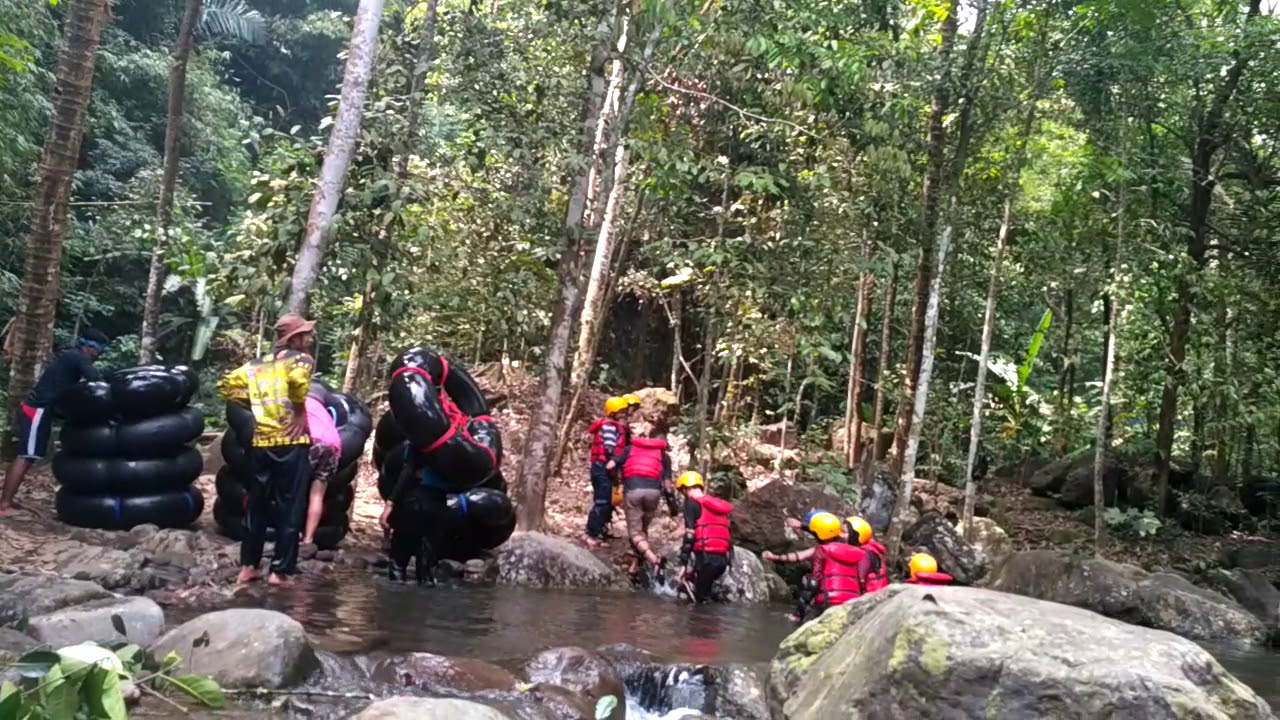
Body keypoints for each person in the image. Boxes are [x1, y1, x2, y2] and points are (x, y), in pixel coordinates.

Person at [217, 314, 316, 587]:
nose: (310, 337)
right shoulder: (301, 359)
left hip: (261, 443)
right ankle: (279, 571)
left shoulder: (257, 364)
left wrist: (255, 406)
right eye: (306, 333)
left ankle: (248, 566)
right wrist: (297, 412)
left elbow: (227, 385)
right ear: (294, 339)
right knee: (290, 506)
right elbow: (297, 381)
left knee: (257, 505)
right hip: (291, 442)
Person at [0, 329, 109, 518]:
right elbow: (96, 381)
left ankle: (7, 500)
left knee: (28, 455)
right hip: (37, 410)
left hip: (39, 410)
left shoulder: (70, 356)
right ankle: (4, 505)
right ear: (90, 347)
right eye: (98, 350)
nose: (98, 355)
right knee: (26, 456)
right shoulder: (78, 357)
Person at [606, 423, 672, 581]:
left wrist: (616, 480)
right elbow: (668, 487)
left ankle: (654, 560)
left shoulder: (630, 449)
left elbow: (609, 465)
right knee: (642, 530)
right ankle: (634, 568)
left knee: (635, 533)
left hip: (633, 492)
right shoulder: (663, 456)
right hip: (653, 494)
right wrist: (674, 508)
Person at [379, 452, 452, 584]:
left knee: (398, 562)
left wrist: (391, 502)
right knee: (427, 568)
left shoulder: (420, 441)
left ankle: (394, 596)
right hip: (438, 505)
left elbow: (407, 472)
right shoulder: (454, 449)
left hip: (413, 503)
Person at [791, 512, 872, 622]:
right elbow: (825, 531)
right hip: (850, 601)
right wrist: (803, 526)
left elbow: (814, 582)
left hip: (829, 599)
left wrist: (799, 613)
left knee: (809, 582)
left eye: (844, 532)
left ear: (854, 537)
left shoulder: (825, 550)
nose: (840, 534)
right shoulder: (859, 554)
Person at [675, 471, 733, 603]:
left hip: (706, 560)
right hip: (722, 561)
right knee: (704, 592)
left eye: (683, 491)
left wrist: (683, 564)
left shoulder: (691, 504)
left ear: (686, 488)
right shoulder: (716, 505)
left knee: (701, 602)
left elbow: (690, 535)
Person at [583, 397, 630, 548]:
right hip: (603, 467)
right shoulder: (610, 427)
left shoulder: (610, 425)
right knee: (602, 502)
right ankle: (590, 534)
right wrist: (617, 467)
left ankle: (595, 532)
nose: (624, 414)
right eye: (621, 411)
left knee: (604, 501)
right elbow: (610, 449)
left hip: (600, 467)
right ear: (613, 412)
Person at [300, 388, 342, 548]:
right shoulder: (325, 412)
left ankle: (291, 532)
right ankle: (308, 539)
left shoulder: (299, 402)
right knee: (317, 496)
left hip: (312, 441)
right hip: (333, 445)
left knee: (294, 489)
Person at [764, 510, 838, 566]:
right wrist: (801, 525)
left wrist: (774, 557)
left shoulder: (824, 549)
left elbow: (799, 556)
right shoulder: (843, 540)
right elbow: (822, 530)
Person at [843, 516, 888, 593]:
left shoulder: (863, 554)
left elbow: (860, 581)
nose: (841, 535)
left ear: (855, 535)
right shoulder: (871, 549)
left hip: (869, 596)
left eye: (845, 532)